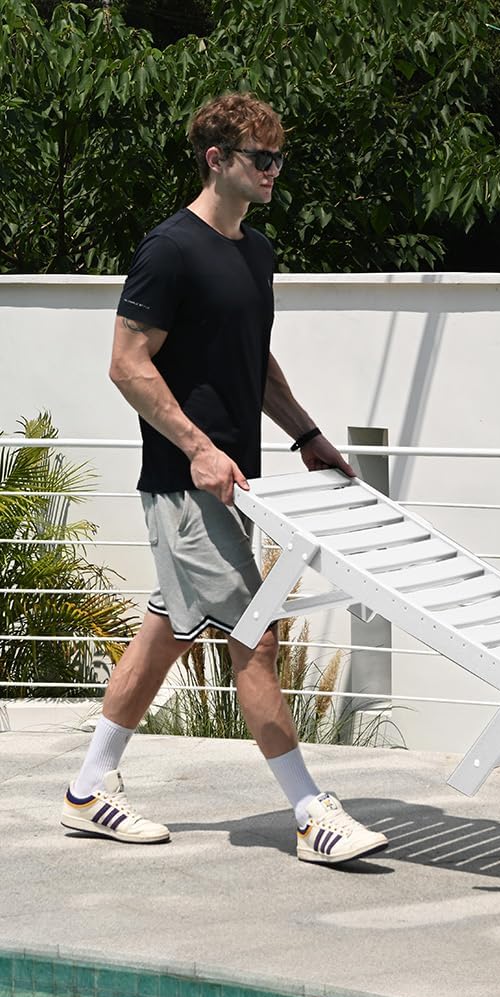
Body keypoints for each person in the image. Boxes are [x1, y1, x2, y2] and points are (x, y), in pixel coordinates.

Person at [61, 92, 387, 865]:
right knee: (255, 636)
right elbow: (127, 364)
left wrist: (306, 435)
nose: (274, 171)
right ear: (217, 160)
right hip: (186, 482)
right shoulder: (169, 249)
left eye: (279, 159)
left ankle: (87, 789)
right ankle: (310, 813)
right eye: (260, 159)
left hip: (235, 480)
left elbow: (254, 361)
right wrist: (197, 449)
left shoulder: (254, 252)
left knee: (168, 631)